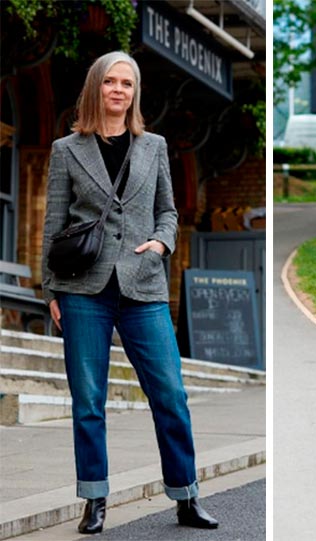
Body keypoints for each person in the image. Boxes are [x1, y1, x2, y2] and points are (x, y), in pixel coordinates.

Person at [41, 51, 218, 534]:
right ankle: (94, 499)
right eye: (110, 82)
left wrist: (161, 242)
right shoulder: (66, 150)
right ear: (96, 87)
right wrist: (50, 291)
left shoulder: (154, 146)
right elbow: (53, 225)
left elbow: (169, 212)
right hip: (82, 289)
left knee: (170, 394)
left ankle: (186, 496)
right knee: (89, 400)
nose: (119, 90)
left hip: (143, 286)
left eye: (127, 83)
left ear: (134, 92)